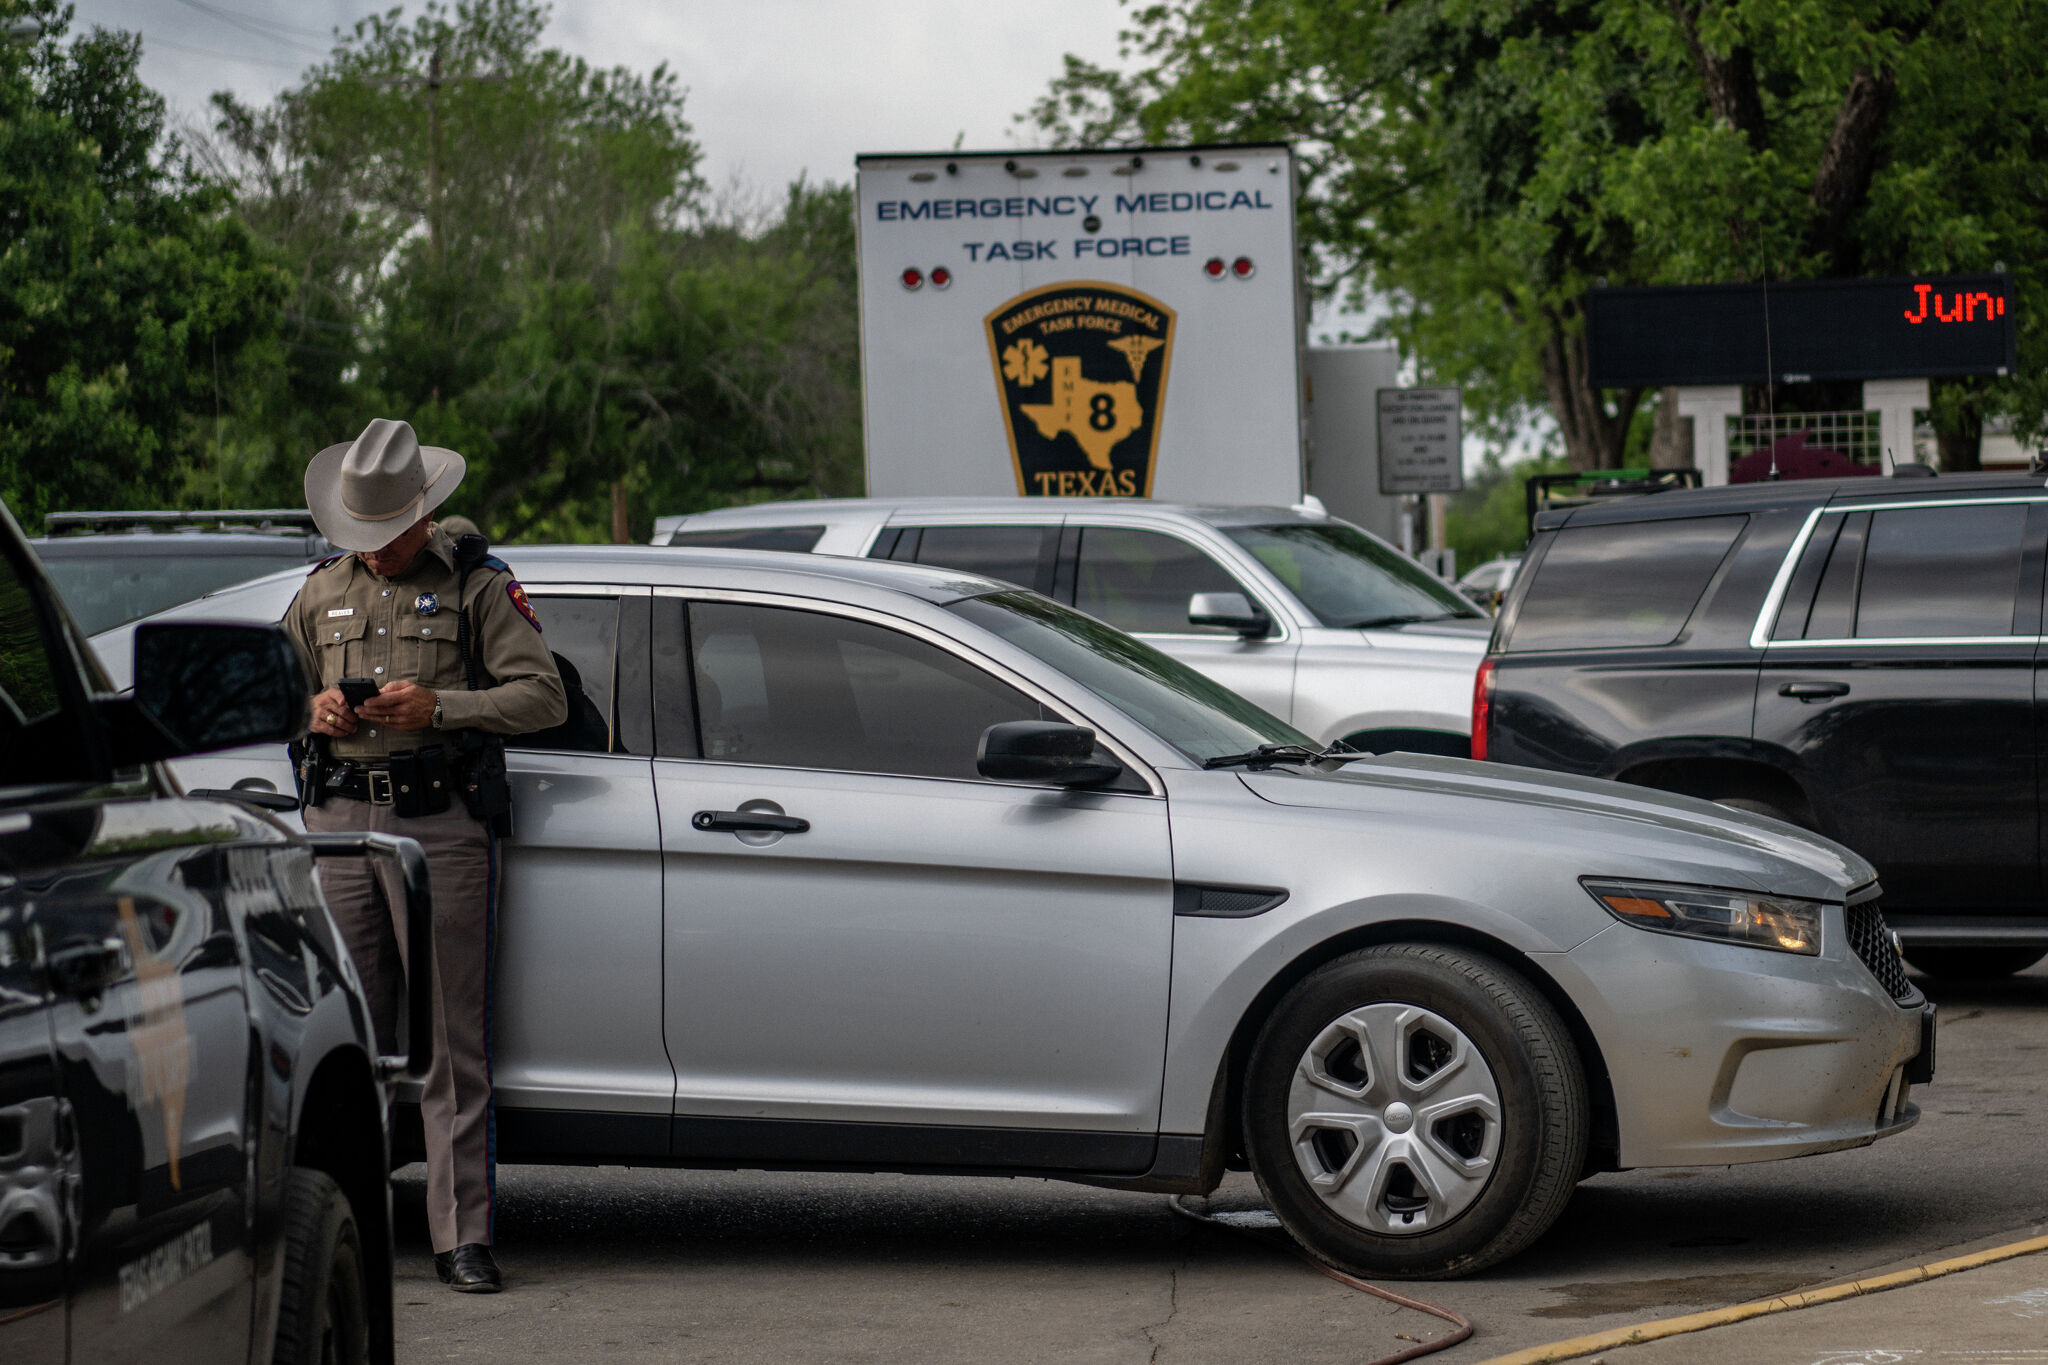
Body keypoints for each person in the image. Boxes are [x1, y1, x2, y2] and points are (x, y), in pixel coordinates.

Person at [283, 418, 566, 1293]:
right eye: (357, 537)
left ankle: (462, 1235)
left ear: (422, 513)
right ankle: (355, 1228)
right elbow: (276, 696)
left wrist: (439, 709)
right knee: (349, 1040)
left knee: (450, 1041)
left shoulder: (479, 583)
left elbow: (544, 696)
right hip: (340, 825)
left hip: (438, 821)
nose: (371, 552)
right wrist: (316, 714)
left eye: (386, 536)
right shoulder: (319, 588)